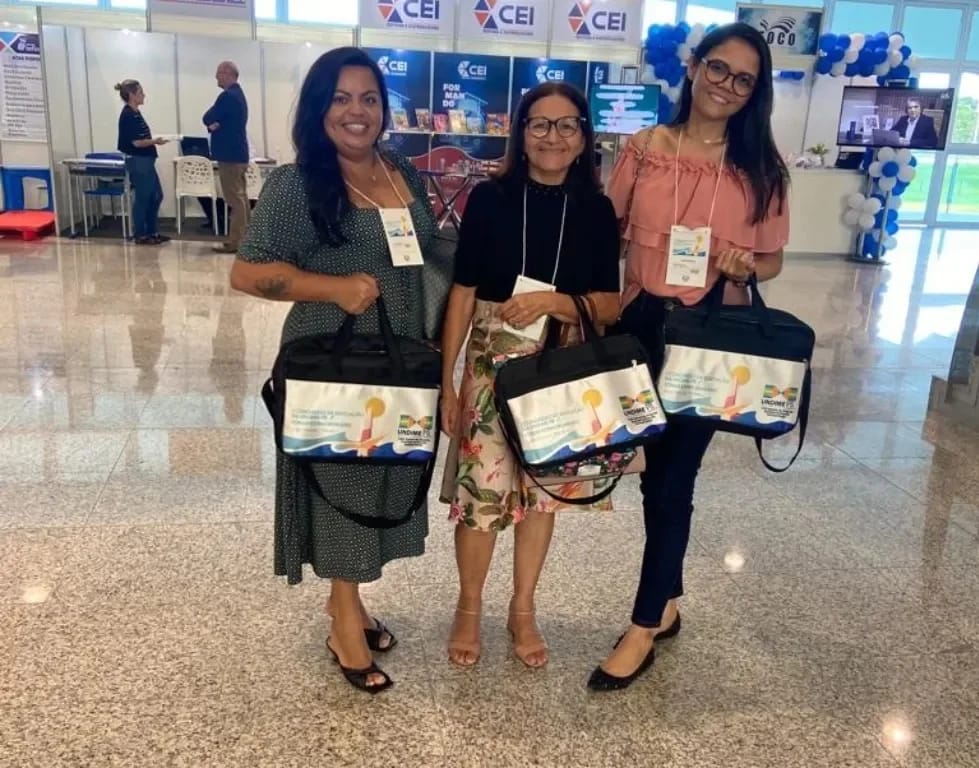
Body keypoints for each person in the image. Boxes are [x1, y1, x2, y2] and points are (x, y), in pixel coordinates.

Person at [229, 47, 440, 694]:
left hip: (398, 357)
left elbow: (425, 257)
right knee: (343, 478)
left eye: (369, 98)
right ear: (319, 108)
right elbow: (246, 272)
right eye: (341, 98)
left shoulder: (401, 170)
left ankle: (347, 599)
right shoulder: (298, 185)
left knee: (381, 476)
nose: (357, 111)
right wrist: (334, 287)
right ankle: (344, 619)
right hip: (334, 360)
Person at [590, 22, 790, 691]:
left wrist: (746, 264)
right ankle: (668, 599)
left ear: (755, 93)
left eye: (744, 79)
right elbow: (608, 232)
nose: (726, 85)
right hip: (641, 321)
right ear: (694, 67)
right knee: (648, 474)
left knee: (674, 478)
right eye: (718, 68)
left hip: (708, 333)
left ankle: (644, 622)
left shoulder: (761, 171)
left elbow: (773, 258)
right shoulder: (645, 150)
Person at [440, 83, 621, 669]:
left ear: (584, 138)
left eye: (567, 125)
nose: (553, 137)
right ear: (520, 133)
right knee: (481, 493)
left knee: (543, 496)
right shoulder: (489, 199)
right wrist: (448, 382)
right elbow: (463, 293)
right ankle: (469, 606)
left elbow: (609, 304)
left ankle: (523, 608)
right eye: (540, 124)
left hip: (561, 364)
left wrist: (553, 303)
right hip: (491, 362)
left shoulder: (596, 210)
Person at [115, 80, 169, 246]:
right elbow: (137, 142)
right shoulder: (128, 115)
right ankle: (141, 234)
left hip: (146, 161)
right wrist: (155, 141)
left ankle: (152, 231)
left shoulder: (136, 113)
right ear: (132, 95)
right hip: (138, 161)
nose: (144, 95)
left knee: (156, 196)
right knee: (143, 198)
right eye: (140, 92)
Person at [204, 61, 250, 253]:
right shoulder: (239, 95)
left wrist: (214, 123)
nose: (216, 77)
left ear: (228, 74)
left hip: (230, 156)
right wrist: (216, 124)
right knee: (242, 198)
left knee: (234, 200)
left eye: (219, 73)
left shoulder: (227, 96)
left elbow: (207, 117)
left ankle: (236, 242)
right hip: (239, 154)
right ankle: (245, 239)